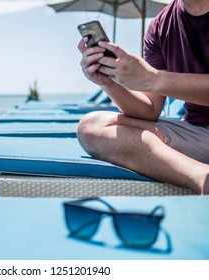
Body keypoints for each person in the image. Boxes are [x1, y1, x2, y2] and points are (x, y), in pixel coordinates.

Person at [77, 0, 209, 195]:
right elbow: (149, 110)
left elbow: (154, 81)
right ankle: (201, 177)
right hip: (199, 134)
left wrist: (153, 79)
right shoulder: (160, 26)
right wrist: (109, 82)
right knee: (91, 126)